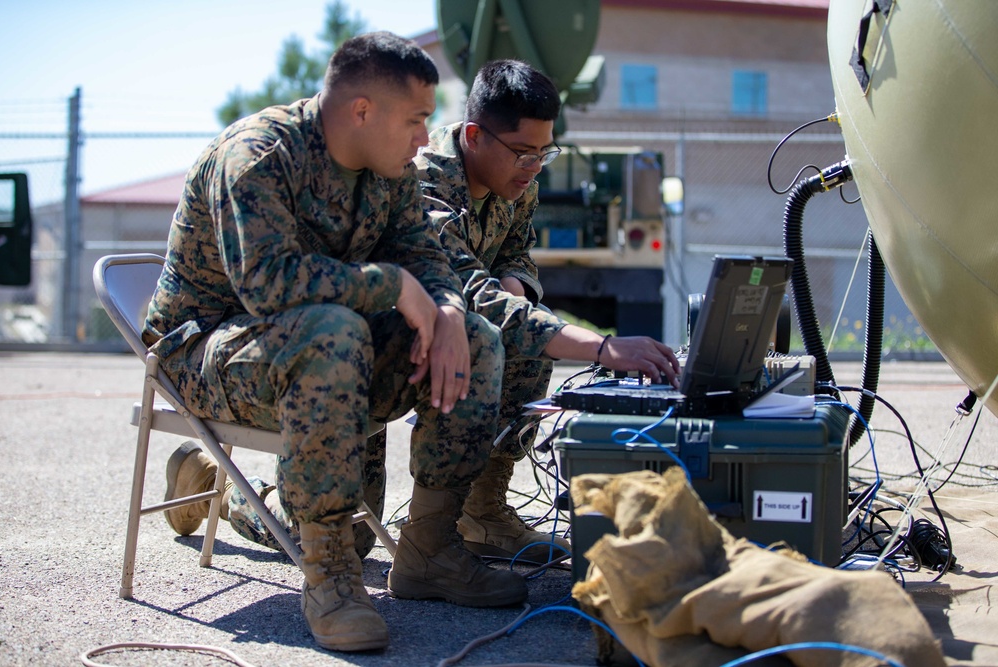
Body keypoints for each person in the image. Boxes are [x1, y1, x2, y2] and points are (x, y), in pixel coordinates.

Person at [145, 32, 526, 654]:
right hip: (203, 350)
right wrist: (394, 285)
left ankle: (430, 547)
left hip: (311, 345)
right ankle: (328, 571)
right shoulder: (259, 155)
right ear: (362, 111)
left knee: (475, 337)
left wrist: (450, 309)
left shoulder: (388, 166)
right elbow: (270, 286)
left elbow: (421, 253)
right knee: (333, 331)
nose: (424, 139)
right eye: (416, 120)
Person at [414, 59, 682, 562]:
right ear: (474, 136)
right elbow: (471, 294)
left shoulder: (519, 176)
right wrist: (603, 348)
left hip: (457, 330)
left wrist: (515, 279)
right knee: (341, 526)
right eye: (522, 152)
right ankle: (240, 498)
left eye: (544, 152)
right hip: (394, 337)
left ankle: (482, 510)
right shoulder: (427, 183)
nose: (534, 166)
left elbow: (517, 250)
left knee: (526, 338)